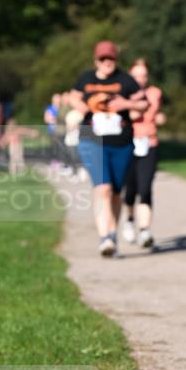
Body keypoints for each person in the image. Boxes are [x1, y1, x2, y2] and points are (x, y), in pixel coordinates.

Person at [69, 41, 148, 257]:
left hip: (121, 142)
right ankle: (105, 237)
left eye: (110, 59)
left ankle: (112, 234)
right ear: (96, 60)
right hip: (91, 139)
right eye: (103, 59)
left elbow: (143, 104)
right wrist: (83, 106)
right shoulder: (86, 79)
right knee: (102, 189)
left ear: (116, 60)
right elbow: (72, 96)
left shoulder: (126, 80)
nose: (107, 63)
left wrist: (126, 104)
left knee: (115, 192)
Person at [122, 59, 165, 249]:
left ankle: (145, 230)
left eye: (143, 76)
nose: (140, 80)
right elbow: (130, 116)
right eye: (136, 76)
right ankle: (130, 219)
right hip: (128, 143)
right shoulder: (122, 93)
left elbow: (155, 112)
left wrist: (159, 117)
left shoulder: (155, 93)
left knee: (145, 187)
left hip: (149, 142)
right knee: (130, 189)